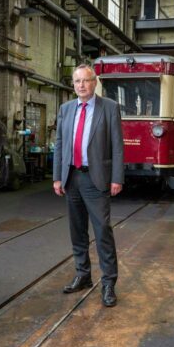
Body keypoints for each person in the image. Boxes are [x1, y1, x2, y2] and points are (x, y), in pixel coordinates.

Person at [53, 64, 124, 307]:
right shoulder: (66, 109)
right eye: (77, 81)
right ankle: (83, 274)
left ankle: (108, 283)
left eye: (86, 80)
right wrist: (57, 176)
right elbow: (60, 143)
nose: (81, 85)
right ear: (73, 85)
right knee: (77, 231)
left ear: (95, 82)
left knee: (103, 230)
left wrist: (117, 177)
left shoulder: (110, 108)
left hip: (97, 178)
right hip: (72, 177)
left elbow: (117, 145)